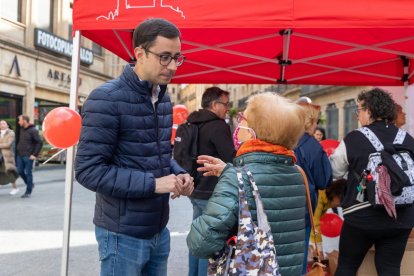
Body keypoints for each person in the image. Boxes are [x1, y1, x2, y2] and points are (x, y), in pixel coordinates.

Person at [75, 18, 194, 276]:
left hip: (159, 229)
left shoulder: (163, 100)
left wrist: (179, 173)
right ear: (139, 53)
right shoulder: (106, 98)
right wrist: (154, 184)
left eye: (177, 57)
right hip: (121, 233)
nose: (173, 66)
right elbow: (88, 171)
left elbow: (159, 154)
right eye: (164, 57)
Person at [187, 92, 307, 275]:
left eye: (243, 118)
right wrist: (231, 173)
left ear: (254, 131)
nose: (238, 122)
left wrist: (232, 179)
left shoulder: (236, 178)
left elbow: (199, 244)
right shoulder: (297, 173)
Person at [329, 88, 414, 275]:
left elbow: (335, 171)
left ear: (369, 111)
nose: (358, 116)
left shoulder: (353, 138)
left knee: (348, 266)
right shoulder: (407, 139)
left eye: (358, 110)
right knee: (390, 269)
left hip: (362, 217)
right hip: (401, 217)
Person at [185, 86, 235, 276]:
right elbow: (230, 158)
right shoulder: (219, 126)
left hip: (195, 189)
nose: (228, 108)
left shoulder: (193, 122)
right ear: (214, 104)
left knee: (197, 237)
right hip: (212, 191)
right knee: (208, 242)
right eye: (225, 104)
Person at [294, 102, 332, 273]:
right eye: (315, 121)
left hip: (278, 206)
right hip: (303, 206)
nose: (317, 125)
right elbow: (323, 180)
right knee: (299, 257)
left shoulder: (282, 140)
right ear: (308, 121)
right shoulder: (313, 146)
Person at [16, 115, 43, 198]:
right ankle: (30, 184)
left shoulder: (33, 130)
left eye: (20, 120)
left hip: (28, 156)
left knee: (28, 173)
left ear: (25, 121)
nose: (18, 122)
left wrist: (34, 154)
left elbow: (39, 142)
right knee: (19, 171)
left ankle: (28, 191)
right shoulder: (21, 129)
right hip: (20, 155)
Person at [0, 120, 19, 195]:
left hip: (8, 157)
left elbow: (8, 144)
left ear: (7, 125)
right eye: (0, 124)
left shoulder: (11, 133)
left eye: (3, 123)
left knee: (9, 172)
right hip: (0, 157)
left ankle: (15, 188)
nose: (1, 125)